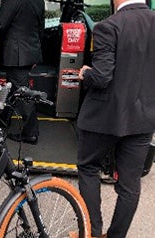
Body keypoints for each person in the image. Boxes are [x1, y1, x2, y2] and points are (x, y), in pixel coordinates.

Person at [77, 0, 155, 237]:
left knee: (88, 167)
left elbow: (101, 77)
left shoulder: (108, 26)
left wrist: (85, 73)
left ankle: (92, 231)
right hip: (144, 117)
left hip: (104, 117)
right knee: (130, 186)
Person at [0, 0, 44, 145]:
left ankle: (30, 133)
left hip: (16, 54)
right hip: (29, 50)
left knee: (22, 94)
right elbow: (41, 28)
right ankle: (3, 121)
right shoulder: (39, 1)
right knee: (13, 89)